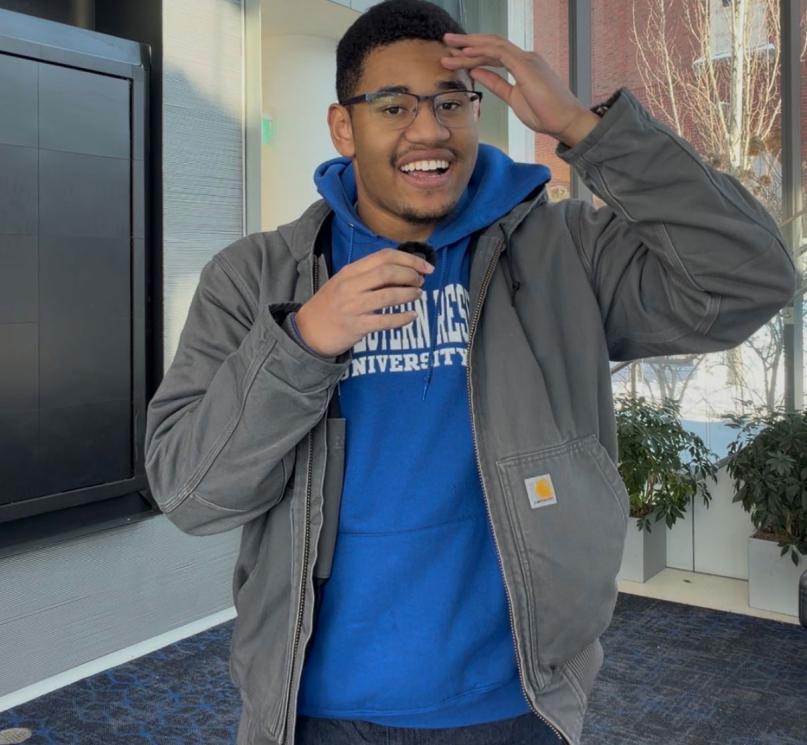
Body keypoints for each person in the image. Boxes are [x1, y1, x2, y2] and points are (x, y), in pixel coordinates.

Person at [143, 1, 797, 744]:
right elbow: (189, 490)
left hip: (512, 702)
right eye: (393, 105)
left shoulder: (561, 254)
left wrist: (587, 131)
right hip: (314, 705)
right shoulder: (255, 278)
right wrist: (302, 342)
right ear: (342, 127)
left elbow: (751, 279)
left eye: (450, 102)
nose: (428, 130)